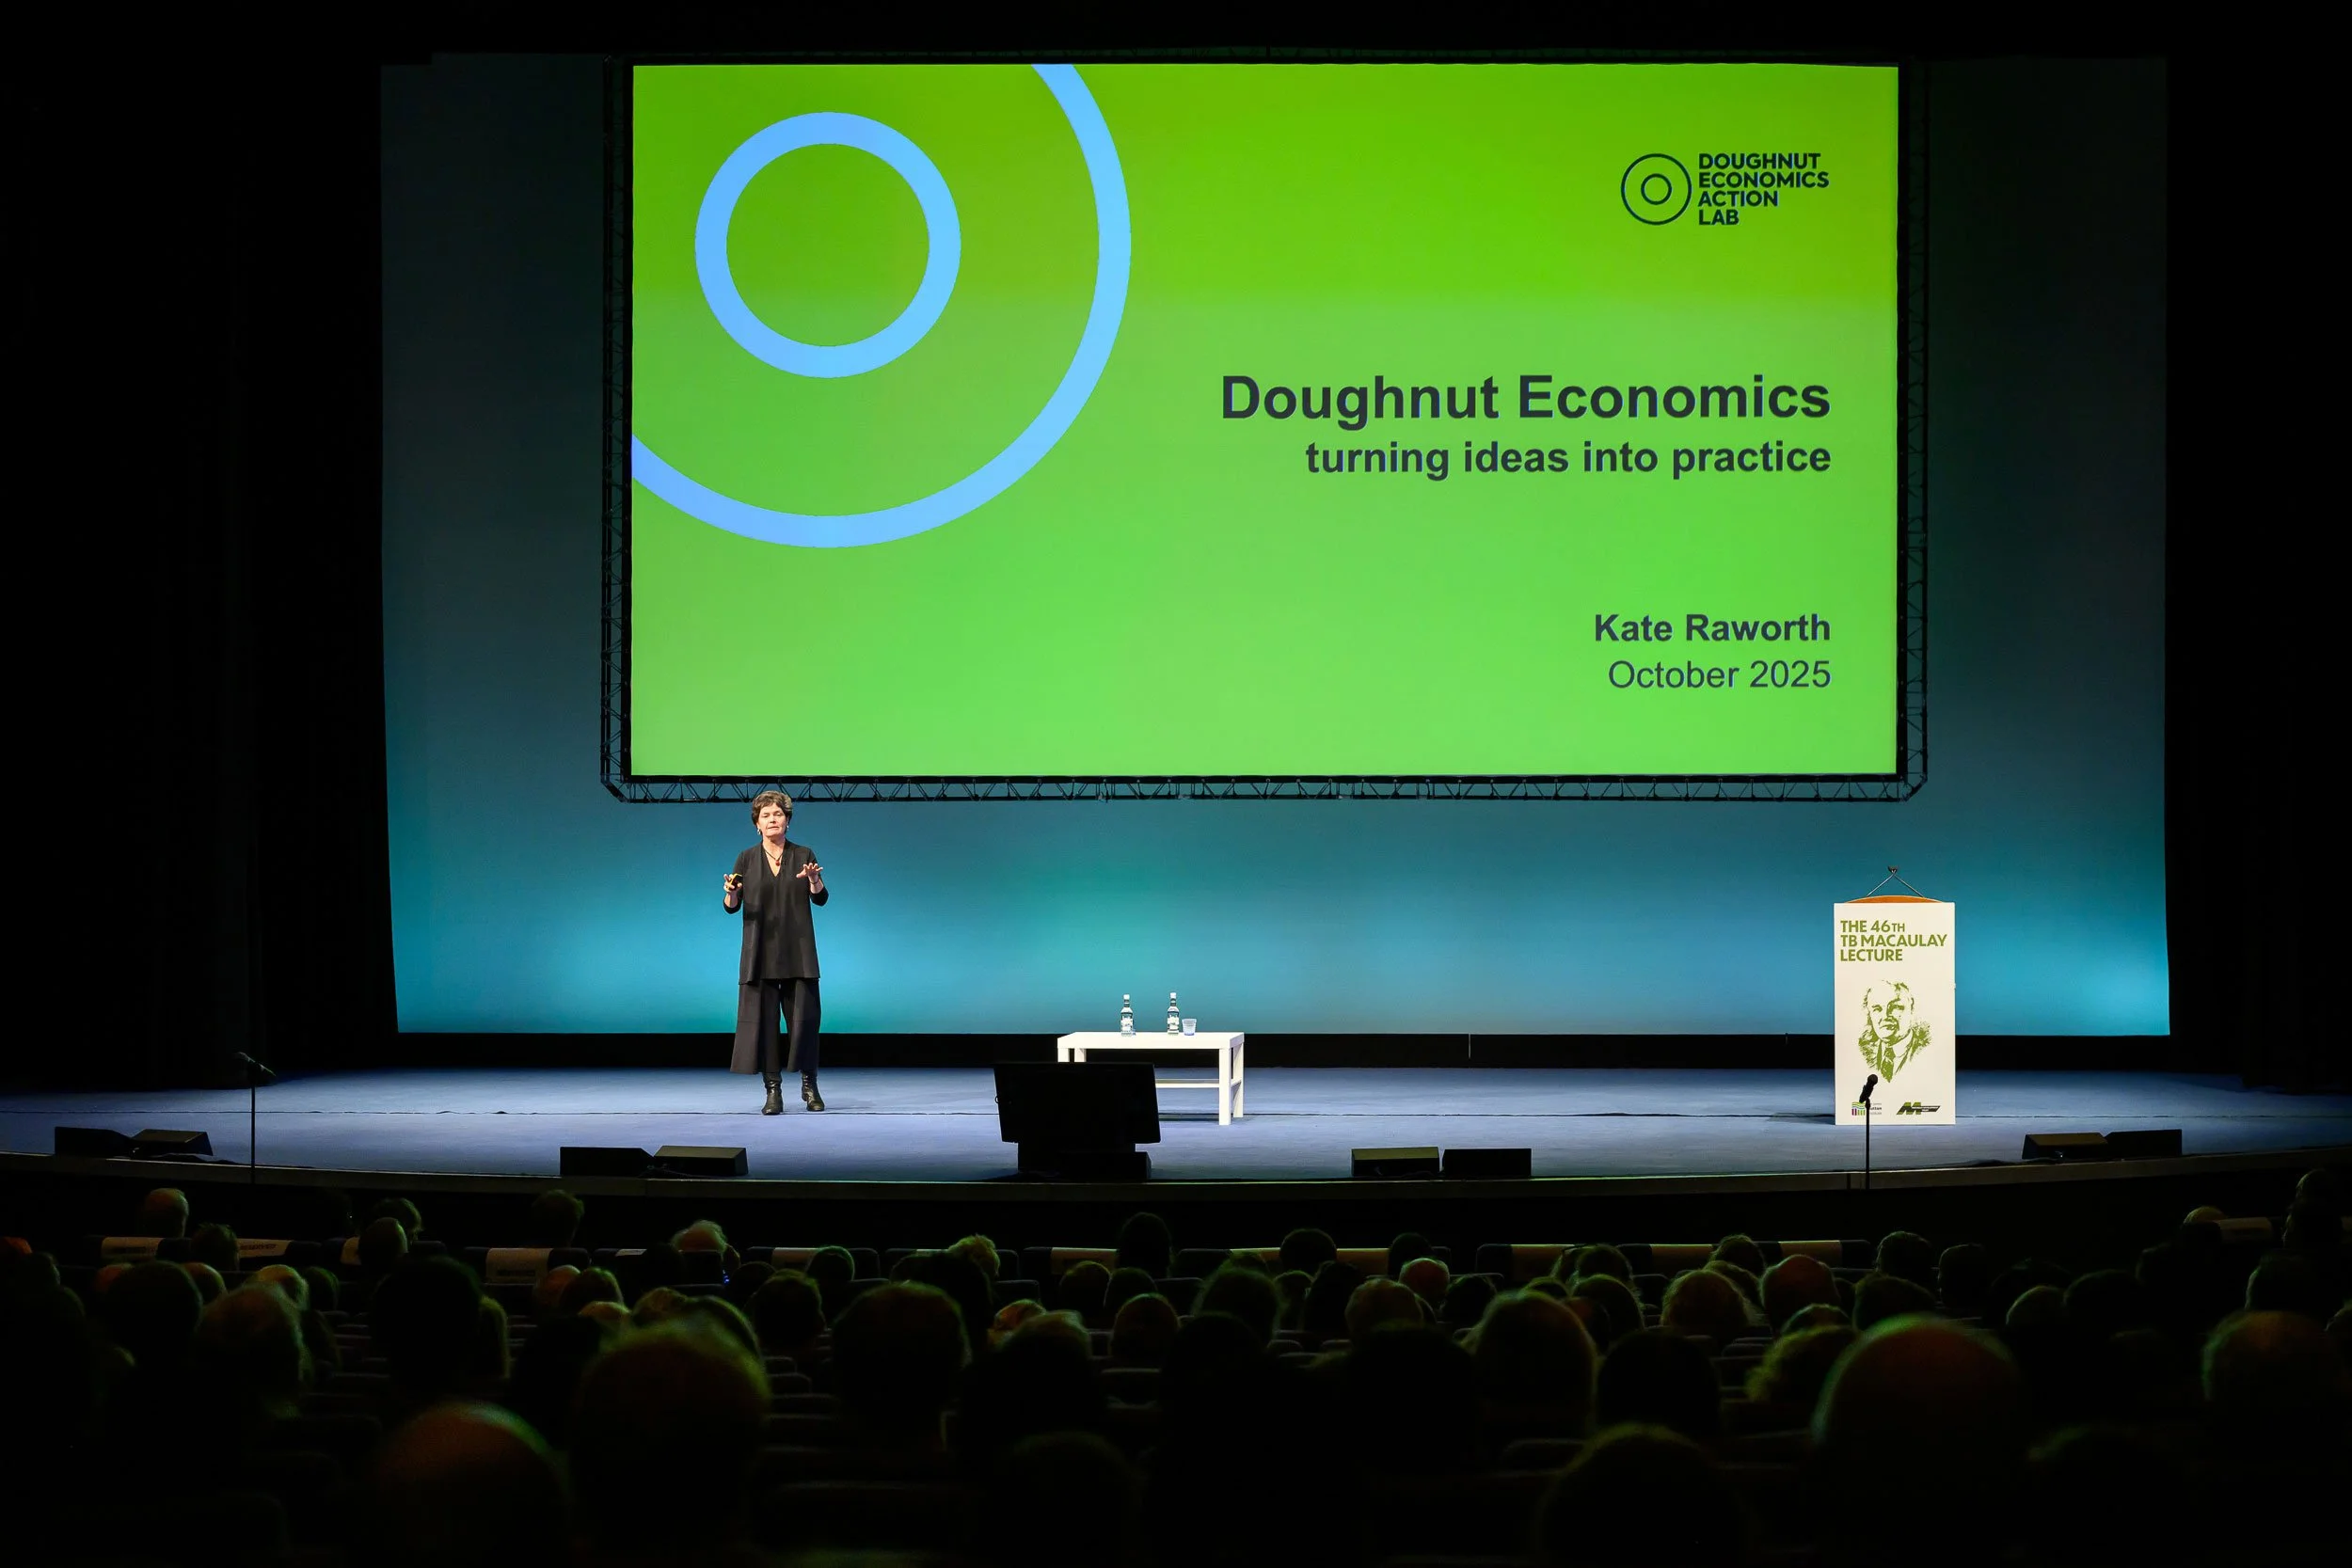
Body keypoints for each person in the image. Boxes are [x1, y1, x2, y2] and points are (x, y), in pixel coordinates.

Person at [721, 788, 829, 1116]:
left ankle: (810, 1088)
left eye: (778, 814)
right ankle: (773, 1091)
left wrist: (813, 881)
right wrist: (732, 894)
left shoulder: (803, 853)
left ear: (787, 821)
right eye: (765, 815)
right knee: (765, 1026)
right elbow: (730, 907)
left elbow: (821, 898)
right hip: (760, 954)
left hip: (798, 951)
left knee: (805, 1023)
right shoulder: (746, 858)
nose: (772, 819)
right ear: (757, 824)